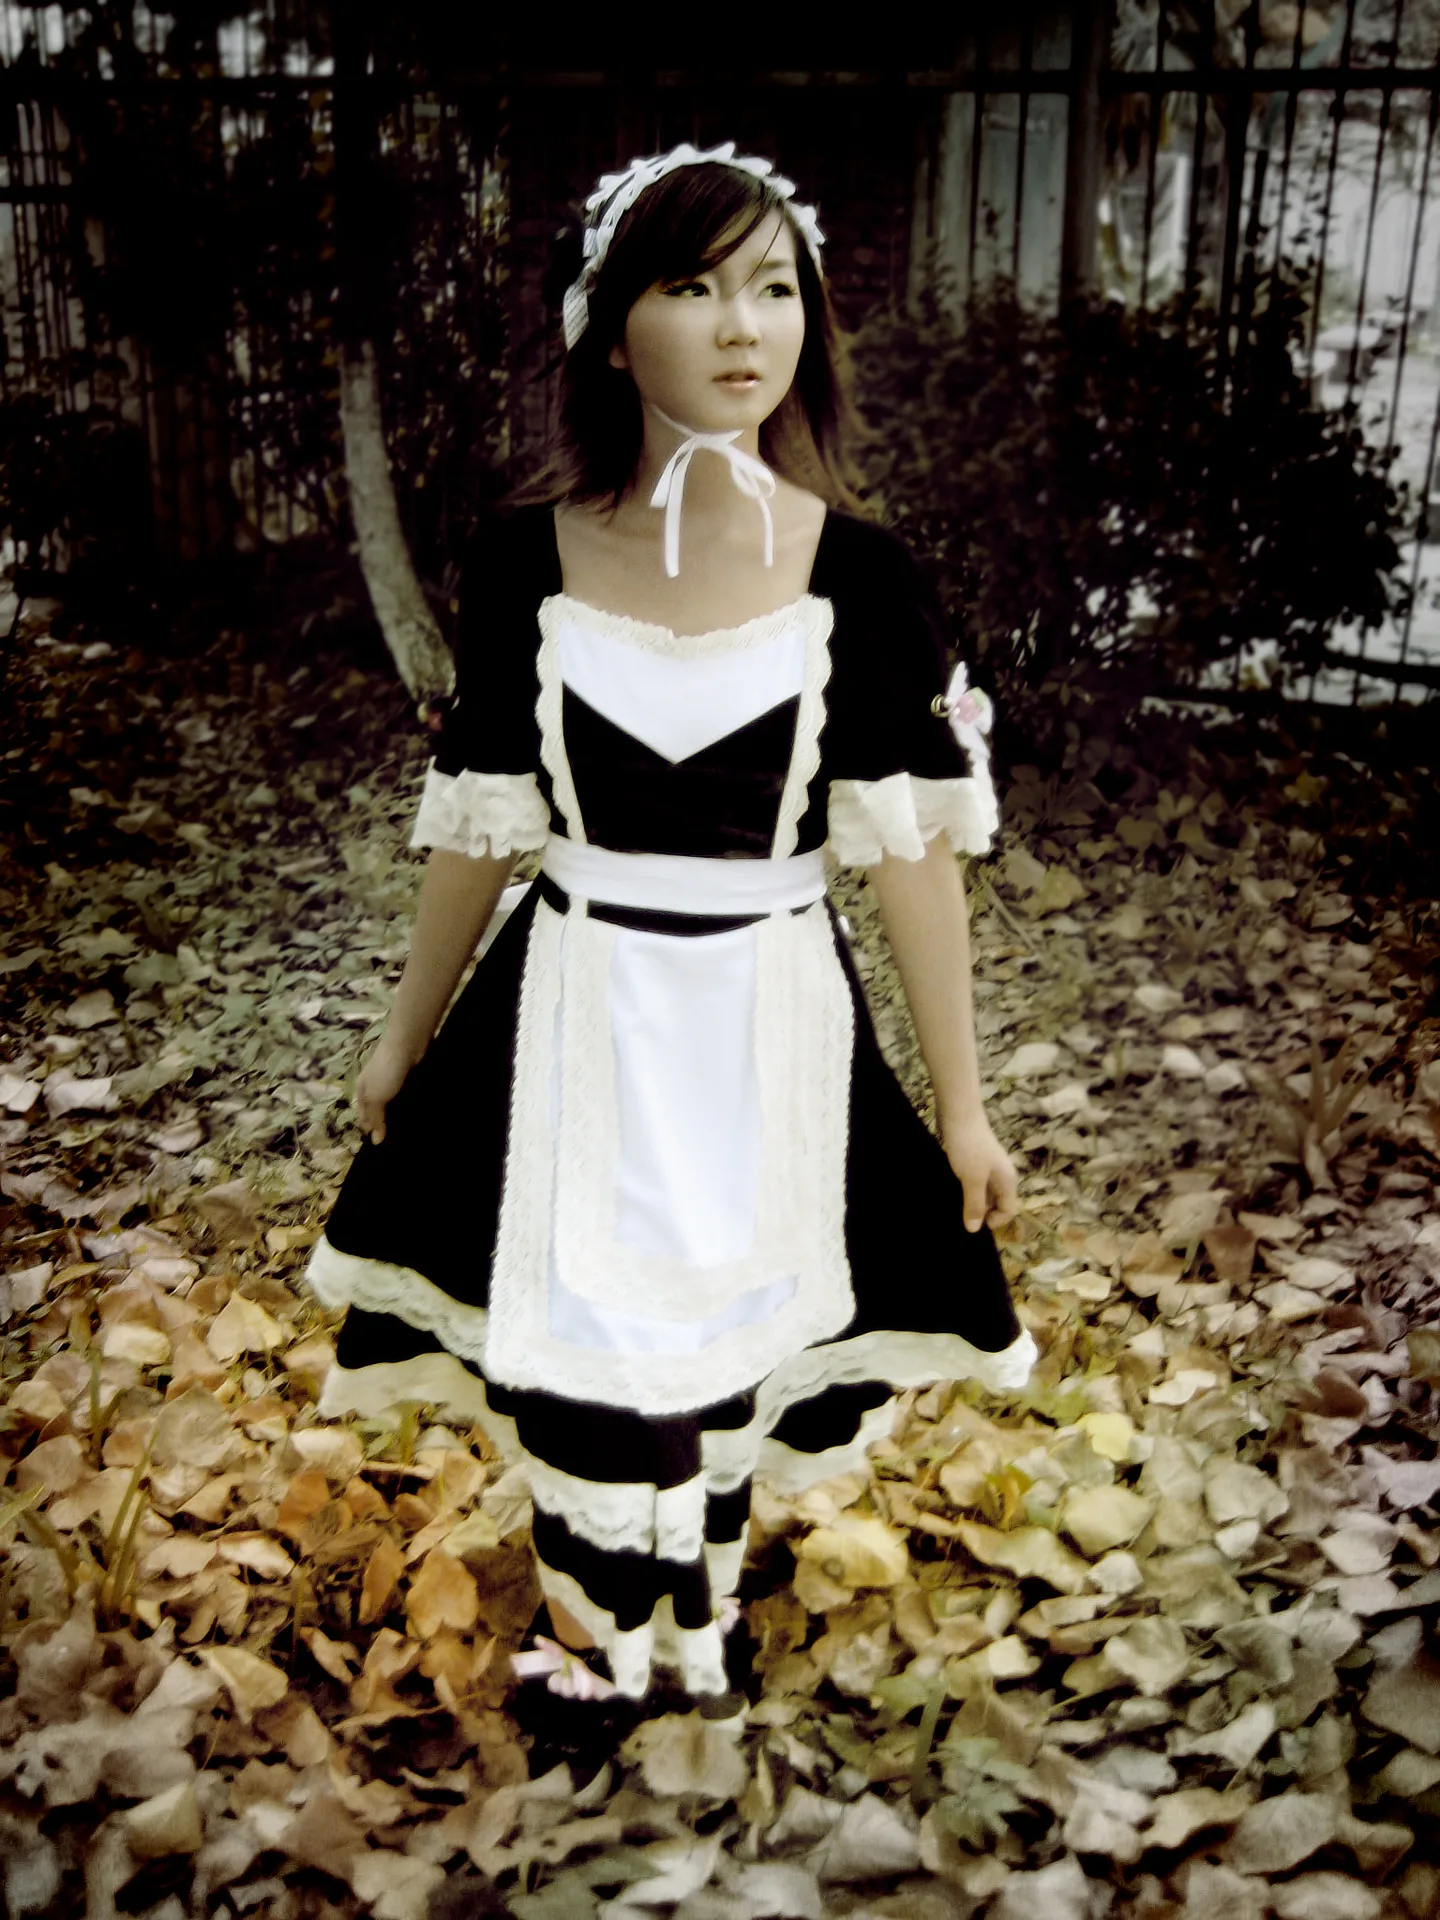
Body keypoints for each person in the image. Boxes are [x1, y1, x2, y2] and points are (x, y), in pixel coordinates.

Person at [301, 140, 1036, 1715]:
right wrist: (401, 1039)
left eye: (773, 288)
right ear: (611, 329)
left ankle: (689, 1634)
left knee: (724, 1338)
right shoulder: (524, 561)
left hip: (766, 1012)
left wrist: (964, 1108)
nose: (741, 326)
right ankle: (599, 1648)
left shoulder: (863, 576)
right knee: (589, 1343)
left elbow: (914, 864)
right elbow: (480, 827)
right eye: (693, 287)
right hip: (579, 1000)